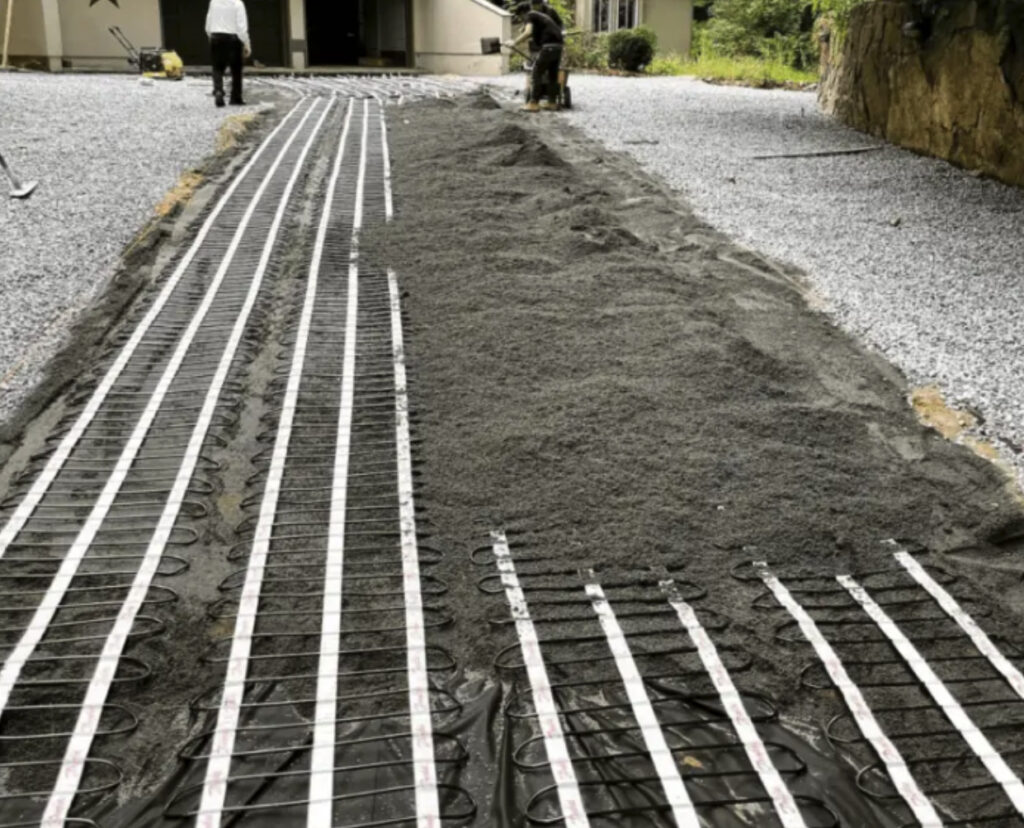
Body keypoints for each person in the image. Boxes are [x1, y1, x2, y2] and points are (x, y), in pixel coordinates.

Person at [505, 2, 564, 112]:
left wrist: (514, 42)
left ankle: (533, 103)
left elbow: (528, 32)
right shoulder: (540, 16)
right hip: (558, 47)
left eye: (520, 17)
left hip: (548, 47)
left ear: (522, 13)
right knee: (552, 75)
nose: (522, 20)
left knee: (536, 72)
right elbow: (533, 31)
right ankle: (552, 103)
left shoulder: (529, 15)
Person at [205, 0, 251, 107]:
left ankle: (218, 90)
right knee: (236, 69)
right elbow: (241, 27)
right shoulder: (237, 3)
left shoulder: (214, 2)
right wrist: (246, 43)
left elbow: (208, 22)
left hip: (216, 37)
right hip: (233, 39)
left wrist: (210, 35)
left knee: (217, 67)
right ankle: (235, 97)